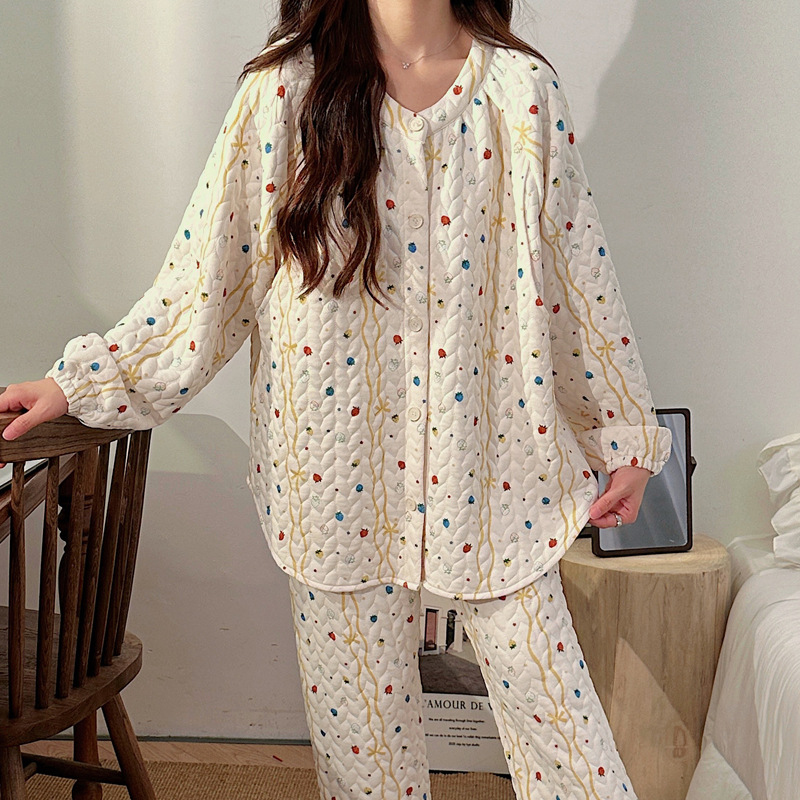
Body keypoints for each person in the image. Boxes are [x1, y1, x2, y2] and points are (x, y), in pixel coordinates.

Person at [0, 2, 672, 798]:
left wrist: (621, 431)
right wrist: (85, 380)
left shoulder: (520, 92)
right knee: (364, 759)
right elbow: (208, 279)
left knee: (566, 737)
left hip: (495, 466)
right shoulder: (284, 93)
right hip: (335, 476)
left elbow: (575, 275)